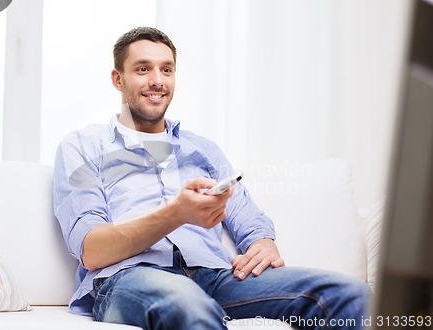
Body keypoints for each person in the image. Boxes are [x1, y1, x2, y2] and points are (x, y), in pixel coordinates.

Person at [53, 26, 370, 330]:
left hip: (215, 277)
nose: (157, 81)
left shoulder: (202, 149)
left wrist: (263, 243)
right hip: (131, 278)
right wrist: (176, 214)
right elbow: (91, 249)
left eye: (167, 69)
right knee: (188, 304)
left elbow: (248, 218)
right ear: (118, 79)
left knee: (350, 294)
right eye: (143, 69)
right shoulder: (82, 147)